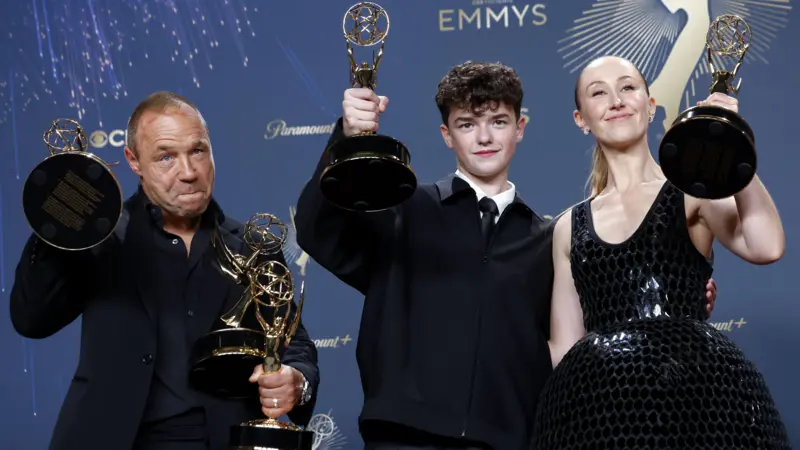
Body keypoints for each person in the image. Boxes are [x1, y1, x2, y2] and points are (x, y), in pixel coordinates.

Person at [294, 61, 718, 450]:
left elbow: (591, 323)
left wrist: (674, 290)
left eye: (498, 122)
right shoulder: (403, 210)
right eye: (466, 124)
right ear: (447, 135)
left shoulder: (550, 238)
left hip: (509, 441)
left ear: (520, 128)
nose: (483, 137)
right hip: (403, 435)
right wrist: (346, 137)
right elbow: (318, 229)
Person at [9, 91, 320, 450]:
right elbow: (31, 319)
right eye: (166, 157)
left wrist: (297, 378)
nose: (188, 173)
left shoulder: (252, 244)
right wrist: (58, 224)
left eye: (198, 151)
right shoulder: (100, 240)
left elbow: (292, 342)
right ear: (133, 161)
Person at [532, 56, 790, 449]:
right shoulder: (569, 226)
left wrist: (730, 144)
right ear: (581, 119)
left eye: (628, 87)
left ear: (651, 107)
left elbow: (767, 245)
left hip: (694, 403)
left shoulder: (690, 192)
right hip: (601, 417)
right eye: (598, 93)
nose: (616, 100)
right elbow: (565, 346)